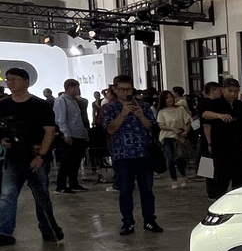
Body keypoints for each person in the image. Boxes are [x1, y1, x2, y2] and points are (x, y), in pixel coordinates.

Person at [0, 67, 63, 246]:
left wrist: (41, 154)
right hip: (13, 157)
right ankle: (4, 231)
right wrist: (2, 140)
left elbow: (49, 131)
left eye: (14, 79)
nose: (10, 82)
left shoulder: (39, 105)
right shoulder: (3, 105)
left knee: (41, 195)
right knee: (7, 194)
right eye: (8, 79)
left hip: (36, 156)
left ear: (26, 82)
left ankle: (48, 229)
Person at [103, 75, 162, 235]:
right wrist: (122, 114)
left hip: (144, 154)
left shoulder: (143, 106)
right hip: (122, 155)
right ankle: (128, 222)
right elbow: (110, 130)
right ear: (115, 89)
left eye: (128, 89)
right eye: (121, 89)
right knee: (126, 190)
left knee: (147, 190)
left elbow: (151, 128)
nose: (125, 92)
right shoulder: (110, 108)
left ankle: (149, 220)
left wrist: (141, 116)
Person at [203, 78, 242, 198]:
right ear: (223, 90)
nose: (233, 94)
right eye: (230, 91)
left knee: (240, 178)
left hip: (238, 147)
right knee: (221, 178)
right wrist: (219, 116)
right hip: (221, 148)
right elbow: (204, 115)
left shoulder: (240, 105)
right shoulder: (214, 104)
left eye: (236, 91)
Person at [53, 79, 91, 194]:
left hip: (78, 135)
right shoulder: (61, 101)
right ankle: (61, 185)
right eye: (77, 87)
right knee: (67, 161)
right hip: (70, 136)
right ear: (70, 88)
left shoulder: (73, 101)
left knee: (76, 161)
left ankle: (74, 182)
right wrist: (66, 134)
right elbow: (61, 119)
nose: (79, 90)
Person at [156, 90, 189, 189]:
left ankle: (183, 175)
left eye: (171, 97)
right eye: (167, 98)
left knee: (178, 158)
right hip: (167, 138)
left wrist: (185, 132)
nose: (169, 99)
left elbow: (187, 121)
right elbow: (161, 125)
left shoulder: (180, 109)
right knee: (170, 159)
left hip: (178, 138)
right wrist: (172, 129)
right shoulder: (162, 112)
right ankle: (174, 180)